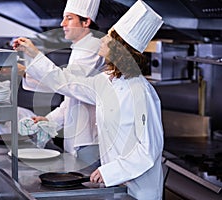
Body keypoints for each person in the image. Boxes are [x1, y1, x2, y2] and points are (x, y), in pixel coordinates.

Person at [13, 0, 164, 199]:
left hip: (140, 190)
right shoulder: (107, 81)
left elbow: (148, 150)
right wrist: (34, 55)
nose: (102, 39)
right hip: (117, 184)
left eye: (109, 37)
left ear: (120, 47)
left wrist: (110, 171)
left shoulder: (141, 92)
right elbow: (66, 83)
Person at [13, 0, 105, 166]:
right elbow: (72, 96)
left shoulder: (92, 46)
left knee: (89, 186)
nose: (62, 24)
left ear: (86, 22)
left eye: (69, 18)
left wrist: (34, 56)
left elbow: (68, 85)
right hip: (79, 136)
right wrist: (50, 120)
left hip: (89, 139)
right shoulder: (80, 47)